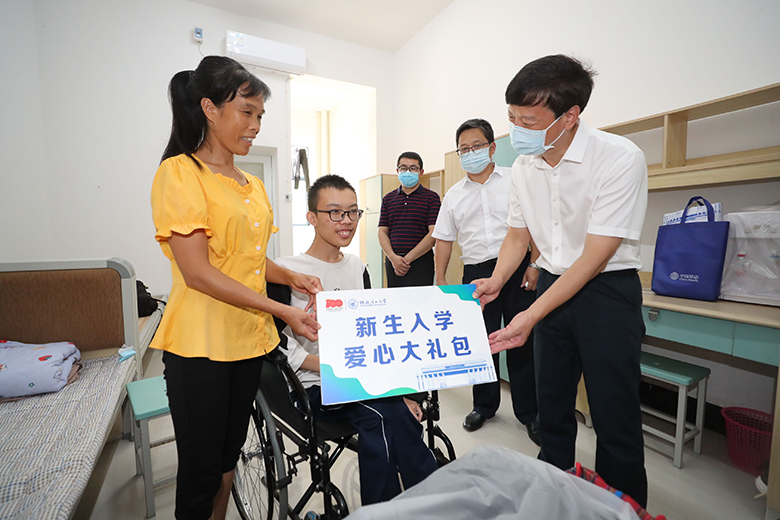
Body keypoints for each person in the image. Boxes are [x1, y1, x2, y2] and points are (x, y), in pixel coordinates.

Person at [150, 56, 323, 520]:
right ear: (210, 108)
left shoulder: (252, 184)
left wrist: (289, 276)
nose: (255, 125)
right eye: (246, 112)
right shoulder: (181, 172)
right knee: (202, 472)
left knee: (228, 460)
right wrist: (282, 310)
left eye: (260, 115)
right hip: (201, 347)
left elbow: (245, 260)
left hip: (248, 343)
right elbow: (198, 271)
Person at [472, 55, 649, 507]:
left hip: (606, 290)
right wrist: (497, 279)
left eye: (529, 121)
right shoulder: (524, 167)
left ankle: (622, 509)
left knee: (613, 416)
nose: (517, 130)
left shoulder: (619, 157)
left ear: (570, 116)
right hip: (551, 283)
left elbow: (594, 257)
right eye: (512, 118)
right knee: (550, 405)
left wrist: (531, 314)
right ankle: (552, 497)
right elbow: (518, 235)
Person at [275, 174, 439, 505]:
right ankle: (410, 504)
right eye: (335, 212)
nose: (347, 220)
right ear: (312, 217)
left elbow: (370, 336)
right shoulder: (286, 270)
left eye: (353, 212)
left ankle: (425, 501)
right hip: (314, 383)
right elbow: (277, 345)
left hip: (360, 378)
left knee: (400, 413)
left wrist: (399, 393)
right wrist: (329, 365)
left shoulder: (356, 267)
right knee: (380, 417)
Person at [432, 118, 539, 444]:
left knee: (521, 340)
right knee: (481, 343)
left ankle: (529, 413)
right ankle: (484, 406)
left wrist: (534, 264)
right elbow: (444, 239)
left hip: (517, 269)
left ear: (492, 148)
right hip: (475, 274)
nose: (470, 153)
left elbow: (535, 226)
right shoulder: (453, 195)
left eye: (476, 146)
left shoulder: (515, 179)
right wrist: (440, 279)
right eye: (464, 149)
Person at [378, 152, 441, 287]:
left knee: (421, 299)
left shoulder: (432, 198)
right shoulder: (388, 199)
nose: (408, 172)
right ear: (397, 171)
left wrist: (407, 259)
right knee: (394, 299)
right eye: (403, 168)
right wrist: (393, 258)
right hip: (393, 262)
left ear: (421, 172)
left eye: (413, 168)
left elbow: (433, 233)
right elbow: (382, 232)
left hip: (421, 261)